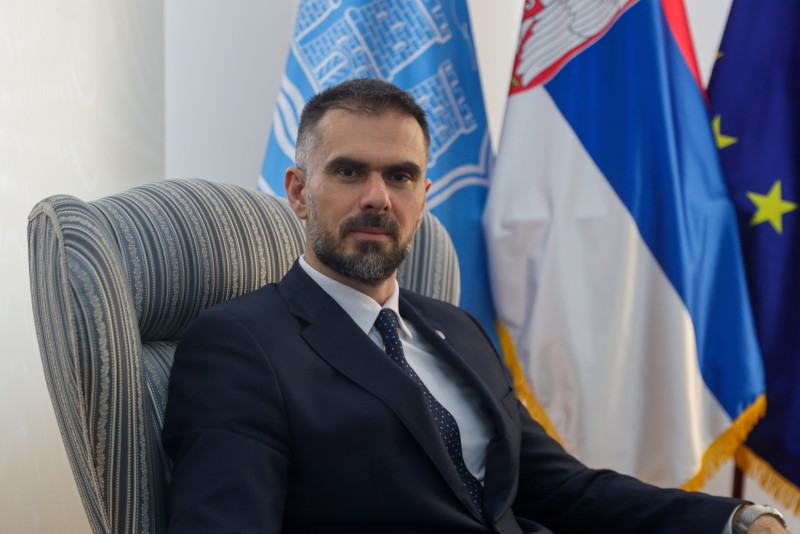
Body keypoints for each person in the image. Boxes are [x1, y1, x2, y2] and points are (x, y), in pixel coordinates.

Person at [162, 79, 788, 534]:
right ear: (299, 192)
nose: (378, 197)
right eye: (349, 173)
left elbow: (563, 490)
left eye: (401, 176)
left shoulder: (456, 329)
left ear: (423, 197)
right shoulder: (240, 345)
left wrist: (736, 520)